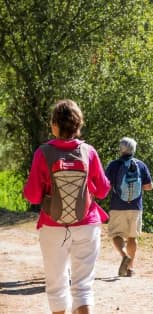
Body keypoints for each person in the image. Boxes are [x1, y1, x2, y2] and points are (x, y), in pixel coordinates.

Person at [23, 99, 111, 314]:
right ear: (78, 125)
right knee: (83, 287)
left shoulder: (42, 153)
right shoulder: (89, 152)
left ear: (54, 125)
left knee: (56, 285)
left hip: (52, 226)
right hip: (87, 224)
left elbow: (33, 196)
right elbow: (103, 190)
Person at [105, 137, 153, 277]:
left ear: (121, 149)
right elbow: (149, 186)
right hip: (136, 206)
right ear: (134, 149)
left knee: (116, 235)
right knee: (132, 237)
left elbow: (106, 185)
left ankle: (124, 255)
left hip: (117, 206)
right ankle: (130, 268)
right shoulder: (141, 165)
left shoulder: (114, 165)